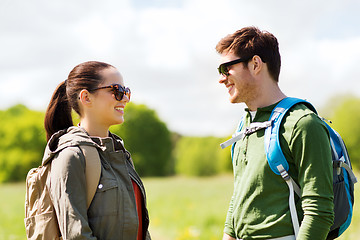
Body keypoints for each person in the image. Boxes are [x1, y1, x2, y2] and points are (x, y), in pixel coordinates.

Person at [216, 27, 334, 240]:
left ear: (255, 64)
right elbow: (240, 197)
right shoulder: (244, 127)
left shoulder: (303, 123)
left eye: (226, 68)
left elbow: (319, 211)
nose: (222, 79)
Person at [43, 61, 151, 240]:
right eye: (116, 91)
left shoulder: (120, 154)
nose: (125, 98)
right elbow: (76, 235)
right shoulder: (71, 156)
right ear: (86, 98)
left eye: (126, 91)